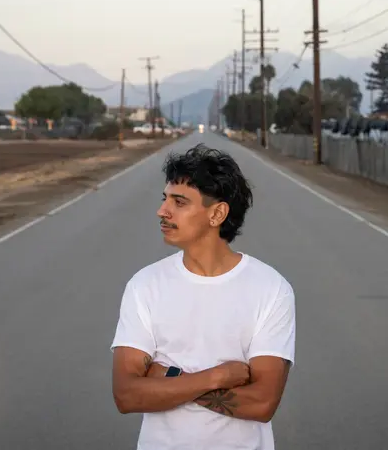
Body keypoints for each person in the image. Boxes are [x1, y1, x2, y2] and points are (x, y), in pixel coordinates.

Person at [110, 143, 296, 450]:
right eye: (165, 199)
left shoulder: (271, 289)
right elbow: (127, 395)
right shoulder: (144, 285)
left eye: (179, 202)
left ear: (217, 214)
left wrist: (167, 378)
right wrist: (217, 377)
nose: (162, 211)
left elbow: (262, 403)